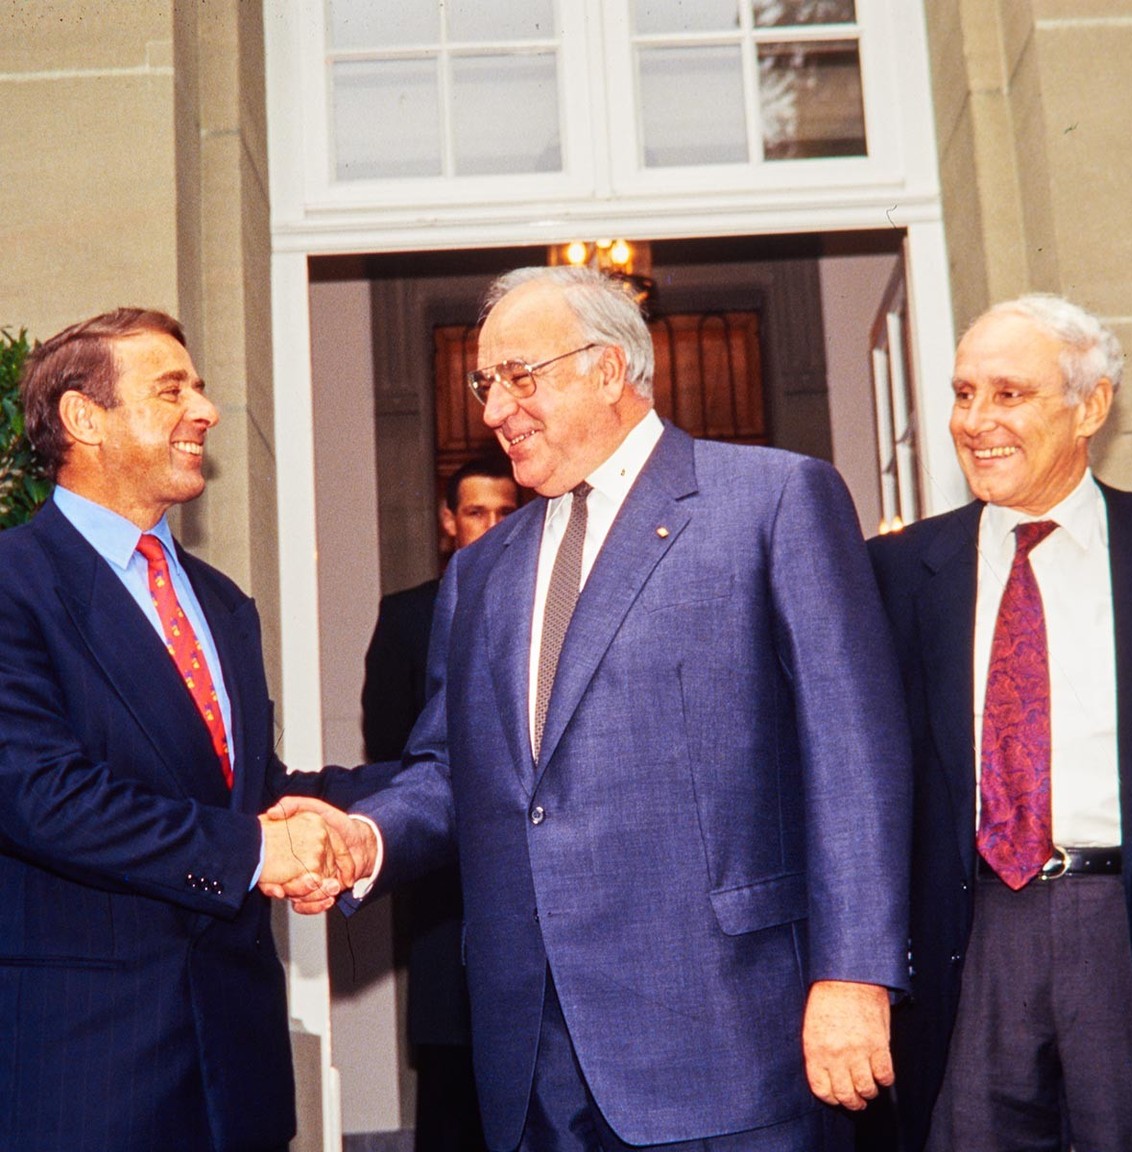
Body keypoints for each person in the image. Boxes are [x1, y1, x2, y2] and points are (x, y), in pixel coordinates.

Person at [292, 265, 911, 1151]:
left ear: (608, 369)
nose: (495, 408)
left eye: (520, 377)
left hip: (728, 1036)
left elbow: (854, 758)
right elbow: (454, 773)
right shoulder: (480, 573)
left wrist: (855, 975)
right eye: (484, 383)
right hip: (533, 1055)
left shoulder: (772, 501)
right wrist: (366, 839)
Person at [867, 294, 1132, 1152]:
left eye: (1009, 394)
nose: (976, 422)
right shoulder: (898, 573)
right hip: (969, 937)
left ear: (1090, 407)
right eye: (963, 393)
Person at [0, 308, 380, 1151]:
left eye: (200, 388)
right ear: (83, 419)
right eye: (171, 388)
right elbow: (37, 793)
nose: (204, 411)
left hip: (235, 1076)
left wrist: (372, 811)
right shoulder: (14, 585)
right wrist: (253, 853)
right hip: (86, 1076)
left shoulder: (221, 604)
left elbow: (249, 793)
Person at [361, 455, 517, 1152]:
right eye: (476, 512)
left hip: (539, 884)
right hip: (445, 892)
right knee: (452, 1092)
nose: (489, 526)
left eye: (504, 513)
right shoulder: (407, 618)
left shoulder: (551, 598)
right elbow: (396, 757)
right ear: (449, 522)